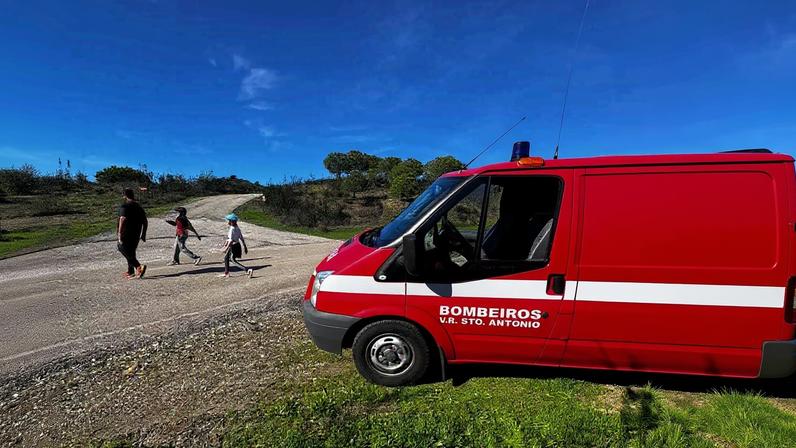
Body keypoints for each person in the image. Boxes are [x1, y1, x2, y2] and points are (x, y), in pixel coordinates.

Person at [117, 188, 148, 279]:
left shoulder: (125, 206)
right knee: (131, 252)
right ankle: (131, 271)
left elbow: (122, 219)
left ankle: (138, 267)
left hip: (126, 233)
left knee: (121, 248)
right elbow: (145, 221)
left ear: (124, 195)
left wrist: (119, 233)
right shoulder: (138, 207)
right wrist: (143, 234)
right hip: (136, 233)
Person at [220, 213, 253, 278]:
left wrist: (226, 248)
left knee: (232, 260)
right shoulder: (237, 228)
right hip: (237, 245)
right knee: (226, 258)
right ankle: (226, 273)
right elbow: (241, 237)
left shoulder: (232, 229)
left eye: (229, 221)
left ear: (232, 222)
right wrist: (245, 246)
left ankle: (247, 270)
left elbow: (231, 240)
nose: (228, 222)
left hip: (233, 246)